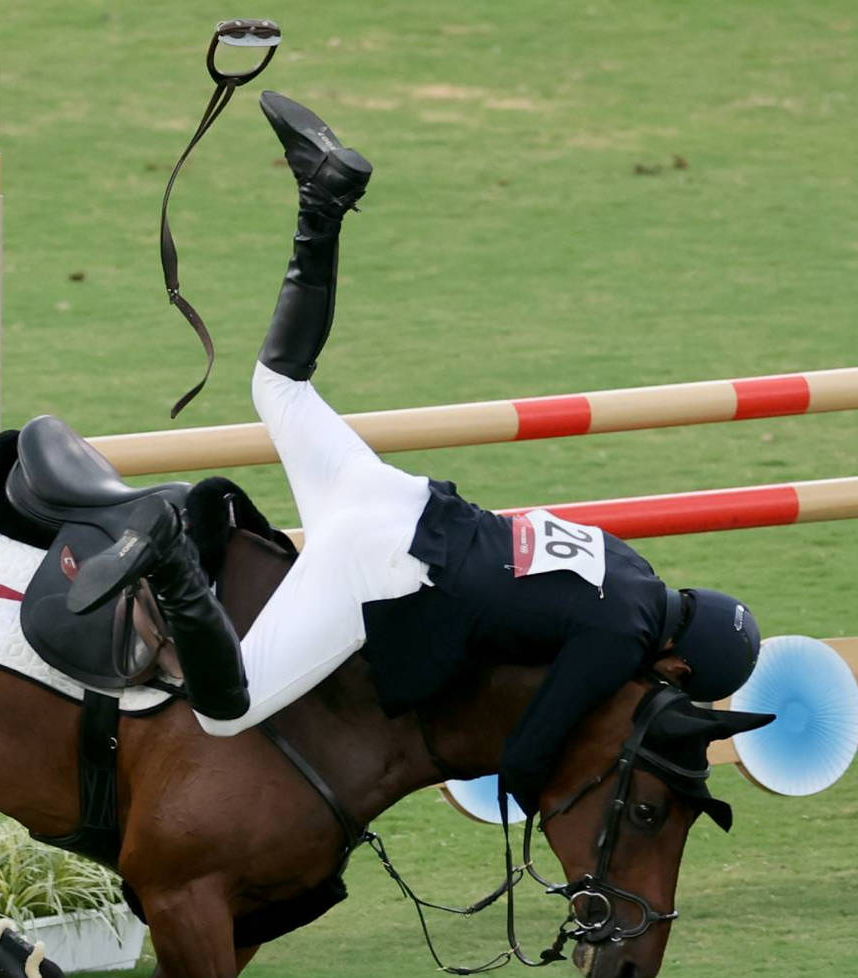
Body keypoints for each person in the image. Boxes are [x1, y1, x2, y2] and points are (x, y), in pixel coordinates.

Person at [70, 92, 762, 814]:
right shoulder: (624, 636)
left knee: (279, 384)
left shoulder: (628, 565)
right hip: (380, 563)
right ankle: (172, 557)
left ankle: (323, 198)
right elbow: (529, 756)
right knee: (226, 708)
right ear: (676, 665)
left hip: (397, 495)